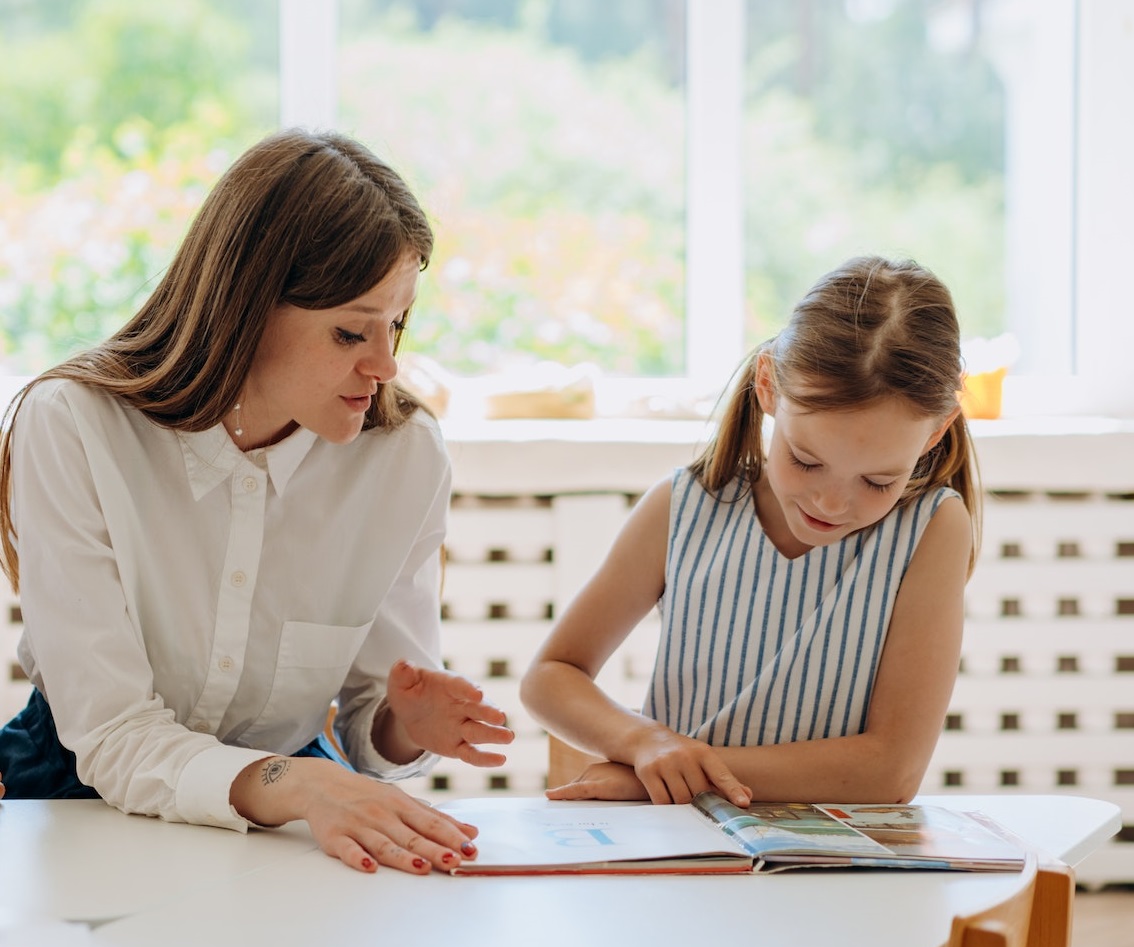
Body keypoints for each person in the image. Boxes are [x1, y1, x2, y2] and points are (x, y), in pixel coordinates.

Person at [0, 128, 514, 874]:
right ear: (246, 305)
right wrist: (299, 783)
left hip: (295, 813)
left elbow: (371, 721)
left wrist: (403, 724)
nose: (386, 364)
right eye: (349, 331)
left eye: (396, 323)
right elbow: (110, 734)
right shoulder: (74, 424)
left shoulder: (403, 455)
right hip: (72, 794)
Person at [521, 255, 979, 808]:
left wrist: (669, 777)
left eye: (879, 480)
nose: (830, 503)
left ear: (934, 435)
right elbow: (550, 675)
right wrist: (645, 744)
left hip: (836, 875)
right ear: (768, 387)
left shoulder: (932, 529)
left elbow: (888, 774)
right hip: (684, 849)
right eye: (806, 460)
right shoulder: (683, 505)